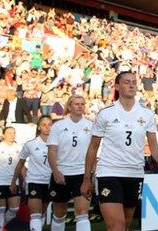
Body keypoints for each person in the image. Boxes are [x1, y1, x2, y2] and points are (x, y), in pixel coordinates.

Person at [81, 71, 158, 231]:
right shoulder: (106, 113)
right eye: (126, 82)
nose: (131, 85)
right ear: (117, 86)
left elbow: (153, 145)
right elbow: (93, 147)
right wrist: (86, 178)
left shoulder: (146, 114)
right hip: (109, 172)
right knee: (116, 225)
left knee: (125, 224)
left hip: (134, 174)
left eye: (134, 82)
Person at [47, 94, 93, 231]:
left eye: (82, 104)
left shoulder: (91, 126)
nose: (80, 106)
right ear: (69, 106)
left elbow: (94, 151)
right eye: (76, 103)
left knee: (82, 212)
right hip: (62, 174)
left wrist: (90, 174)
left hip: (82, 174)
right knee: (59, 213)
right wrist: (55, 171)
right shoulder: (58, 126)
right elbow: (52, 151)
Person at [10, 116, 53, 231]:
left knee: (42, 213)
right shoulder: (30, 144)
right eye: (44, 125)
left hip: (50, 182)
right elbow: (20, 164)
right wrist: (14, 181)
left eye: (50, 124)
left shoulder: (57, 144)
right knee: (35, 215)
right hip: (34, 181)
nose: (47, 127)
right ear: (39, 127)